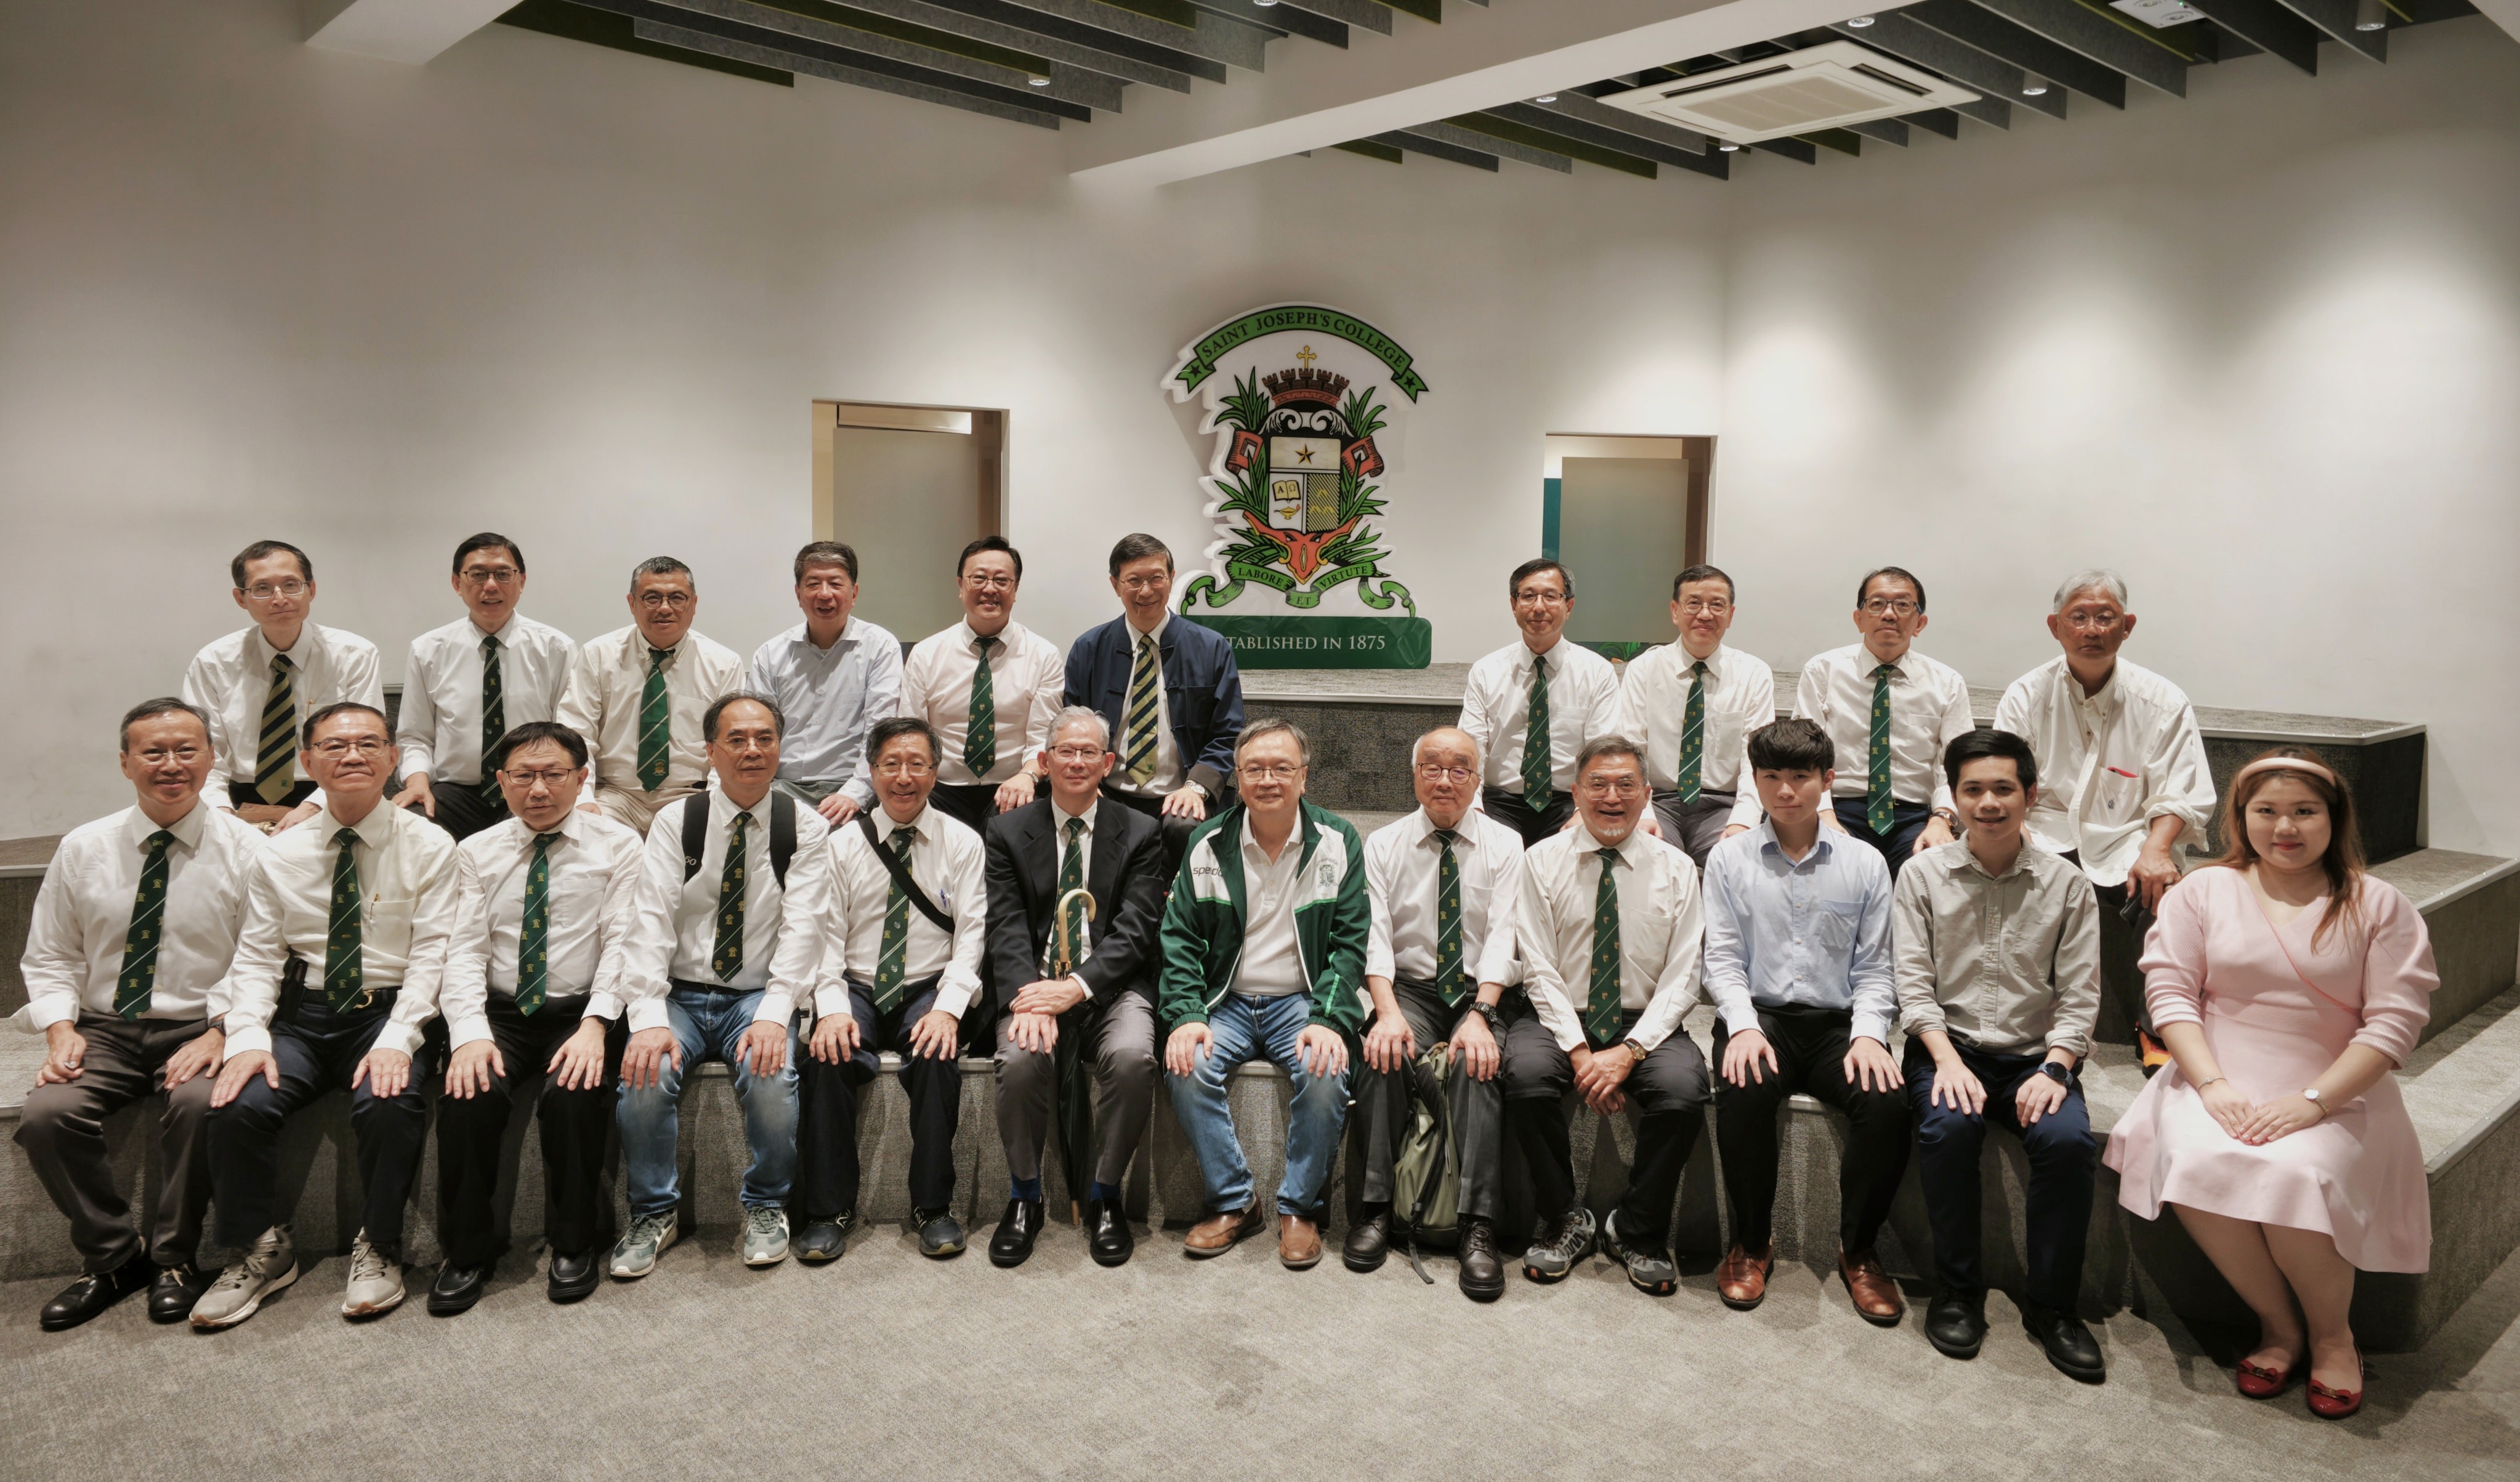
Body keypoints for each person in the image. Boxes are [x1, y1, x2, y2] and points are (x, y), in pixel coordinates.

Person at [2104, 748, 2435, 1420]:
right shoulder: (2203, 890)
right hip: (2214, 1072)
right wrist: (2212, 1085)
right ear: (2242, 817)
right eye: (2268, 811)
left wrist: (2314, 1102)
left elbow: (2394, 1024)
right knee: (2196, 1157)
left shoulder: (2378, 904)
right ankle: (2279, 1326)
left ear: (2333, 819)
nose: (2285, 827)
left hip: (2335, 1086)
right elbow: (2170, 994)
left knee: (2297, 1172)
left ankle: (2333, 1336)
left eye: (2305, 811)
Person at [193, 702, 457, 1330]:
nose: (353, 755)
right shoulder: (278, 853)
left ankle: (381, 1243)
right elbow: (258, 956)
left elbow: (434, 955)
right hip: (304, 1015)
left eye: (369, 743)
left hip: (389, 1009)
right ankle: (260, 1248)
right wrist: (246, 1036)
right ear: (308, 762)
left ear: (394, 759)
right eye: (335, 746)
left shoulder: (431, 845)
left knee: (389, 1103)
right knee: (236, 1101)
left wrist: (399, 1038)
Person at [15, 698, 263, 1330]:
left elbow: (262, 956)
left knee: (200, 1105)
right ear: (126, 763)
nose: (171, 764)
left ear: (211, 759)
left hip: (202, 1026)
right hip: (103, 1029)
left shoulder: (247, 848)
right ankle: (113, 1257)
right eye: (154, 752)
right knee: (47, 1115)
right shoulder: (83, 847)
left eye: (186, 750)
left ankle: (175, 1260)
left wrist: (222, 1030)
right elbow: (50, 953)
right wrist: (60, 1029)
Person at [1894, 729, 2106, 1382]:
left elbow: (2081, 995)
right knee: (1948, 1128)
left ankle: (2053, 1306)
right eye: (1974, 790)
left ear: (2030, 795)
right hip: (1946, 1047)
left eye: (2003, 789)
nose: (1989, 803)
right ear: (1954, 798)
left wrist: (2056, 1068)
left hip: (2036, 1057)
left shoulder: (2068, 885)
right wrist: (1946, 1060)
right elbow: (1912, 985)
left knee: (2068, 1144)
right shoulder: (1921, 874)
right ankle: (1958, 1292)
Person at [609, 694, 836, 1277]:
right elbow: (649, 920)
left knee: (770, 1073)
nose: (752, 750)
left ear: (780, 747)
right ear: (710, 751)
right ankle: (653, 1212)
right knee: (645, 1074)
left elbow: (805, 928)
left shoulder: (804, 826)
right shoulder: (677, 821)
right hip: (679, 993)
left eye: (764, 738)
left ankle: (766, 1205)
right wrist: (647, 1017)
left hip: (756, 994)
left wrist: (776, 1013)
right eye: (736, 739)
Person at [427, 721, 644, 1314]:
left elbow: (622, 942)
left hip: (583, 1009)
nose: (539, 789)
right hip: (501, 1011)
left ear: (581, 778)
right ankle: (467, 1251)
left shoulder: (619, 845)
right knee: (467, 1095)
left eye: (553, 774)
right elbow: (463, 951)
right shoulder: (475, 852)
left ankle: (575, 1243)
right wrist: (469, 1035)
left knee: (575, 1094)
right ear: (501, 782)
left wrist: (596, 1026)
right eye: (524, 776)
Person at [1700, 717, 1910, 1324]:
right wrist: (1742, 1025)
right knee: (1743, 1087)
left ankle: (1859, 1250)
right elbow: (1722, 960)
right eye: (1771, 776)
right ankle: (1750, 1242)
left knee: (1887, 1102)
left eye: (1800, 776)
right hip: (1759, 1015)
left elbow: (1876, 968)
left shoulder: (1865, 863)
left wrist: (1869, 1037)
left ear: (1829, 780)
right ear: (1755, 781)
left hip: (1836, 1024)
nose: (1786, 790)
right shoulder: (1729, 858)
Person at [1160, 719, 1367, 1270]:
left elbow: (1350, 942)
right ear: (1237, 776)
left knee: (1326, 1072)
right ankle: (1235, 1201)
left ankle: (1299, 1209)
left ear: (1304, 777)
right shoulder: (1207, 842)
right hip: (1225, 1000)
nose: (1267, 779)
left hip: (1300, 1000)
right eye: (1254, 769)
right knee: (1185, 1064)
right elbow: (1179, 937)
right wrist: (1186, 1013)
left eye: (1281, 768)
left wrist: (1327, 1018)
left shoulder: (1337, 840)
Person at [1506, 737, 1709, 1297]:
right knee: (1524, 1078)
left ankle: (1636, 1229)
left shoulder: (1678, 868)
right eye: (1598, 784)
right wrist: (1579, 1052)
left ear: (1647, 796)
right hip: (1558, 1015)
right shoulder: (1541, 860)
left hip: (1645, 1021)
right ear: (1576, 793)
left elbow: (1685, 974)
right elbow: (1537, 965)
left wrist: (1630, 1050)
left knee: (1683, 1092)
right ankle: (1564, 1218)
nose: (1612, 797)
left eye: (1625, 785)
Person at [1996, 570, 2215, 1069]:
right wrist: (2015, 836)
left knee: (2165, 887)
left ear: (2127, 626)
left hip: (2128, 835)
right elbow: (2005, 777)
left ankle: (2156, 1028)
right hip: (2044, 828)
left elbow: (2181, 791)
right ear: (2055, 626)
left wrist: (2157, 849)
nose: (2091, 630)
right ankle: (2016, 1023)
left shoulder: (2162, 699)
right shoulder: (2027, 693)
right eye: (2079, 617)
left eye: (2105, 618)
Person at [980, 707, 1166, 1268]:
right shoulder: (1008, 830)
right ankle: (1025, 1195)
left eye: (1090, 753)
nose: (1077, 762)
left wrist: (1078, 987)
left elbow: (1136, 930)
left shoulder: (1141, 830)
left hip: (1111, 987)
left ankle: (1105, 1194)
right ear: (1044, 761)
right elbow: (1006, 925)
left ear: (1108, 763)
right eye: (1066, 751)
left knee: (1133, 1058)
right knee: (1019, 1059)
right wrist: (1031, 995)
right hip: (1034, 985)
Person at [801, 716, 989, 1261]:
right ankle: (827, 1210)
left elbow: (972, 937)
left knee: (936, 1054)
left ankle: (933, 1207)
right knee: (826, 1055)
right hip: (857, 984)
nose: (903, 777)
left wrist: (949, 1010)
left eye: (916, 764)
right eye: (890, 764)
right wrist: (830, 1009)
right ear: (872, 770)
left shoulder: (963, 841)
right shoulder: (841, 845)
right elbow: (825, 938)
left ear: (935, 771)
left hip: (928, 984)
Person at [1350, 725, 1524, 1301]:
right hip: (1413, 990)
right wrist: (1386, 1012)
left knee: (1478, 1063)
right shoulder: (1384, 844)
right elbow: (1375, 938)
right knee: (1381, 1053)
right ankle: (1376, 1208)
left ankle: (1477, 1224)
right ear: (1414, 775)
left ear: (1478, 779)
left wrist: (1481, 1012)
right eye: (1432, 767)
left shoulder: (1506, 844)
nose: (1445, 780)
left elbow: (1504, 937)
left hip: (1483, 988)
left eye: (1459, 769)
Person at [1065, 533, 1244, 872]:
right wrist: (1087, 783)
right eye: (1134, 581)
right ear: (1115, 585)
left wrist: (1196, 788)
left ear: (1171, 579)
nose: (1146, 591)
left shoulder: (1211, 648)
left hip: (1183, 790)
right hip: (1109, 790)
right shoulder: (1089, 649)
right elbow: (1071, 729)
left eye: (1156, 578)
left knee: (1185, 826)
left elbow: (1228, 734)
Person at [182, 540, 382, 833]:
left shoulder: (354, 655)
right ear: (241, 598)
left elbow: (366, 747)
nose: (279, 599)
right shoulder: (214, 662)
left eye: (291, 585)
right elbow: (202, 753)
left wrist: (313, 807)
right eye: (262, 588)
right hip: (239, 799)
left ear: (311, 590)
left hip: (334, 794)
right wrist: (222, 813)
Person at [392, 533, 576, 841]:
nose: (490, 586)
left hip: (533, 785)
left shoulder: (556, 648)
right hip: (454, 792)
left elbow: (569, 732)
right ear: (457, 583)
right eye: (477, 575)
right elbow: (415, 736)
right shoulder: (428, 650)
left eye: (503, 574)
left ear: (521, 582)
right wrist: (417, 780)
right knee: (407, 828)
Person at [1791, 566, 1973, 876]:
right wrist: (1824, 814)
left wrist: (1942, 819)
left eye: (1903, 605)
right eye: (1876, 604)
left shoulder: (1947, 682)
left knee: (1931, 872)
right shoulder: (1823, 671)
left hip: (1917, 816)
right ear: (1859, 619)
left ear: (1920, 623)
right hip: (1839, 807)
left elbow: (1960, 764)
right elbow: (1804, 755)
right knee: (1834, 874)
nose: (1889, 614)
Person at [555, 556, 745, 834]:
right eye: (652, 598)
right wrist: (583, 799)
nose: (665, 608)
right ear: (632, 603)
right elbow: (576, 733)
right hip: (615, 795)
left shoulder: (723, 664)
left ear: (693, 604)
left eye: (677, 598)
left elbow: (729, 744)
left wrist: (716, 802)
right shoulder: (598, 655)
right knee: (590, 840)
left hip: (689, 794)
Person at [1613, 563, 1776, 868]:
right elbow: (1631, 750)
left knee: (1738, 861)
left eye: (1717, 605)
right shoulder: (1644, 670)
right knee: (1651, 859)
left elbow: (1756, 760)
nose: (1705, 614)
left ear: (1731, 615)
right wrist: (1644, 813)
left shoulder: (1753, 674)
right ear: (1675, 611)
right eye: (1694, 603)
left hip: (1723, 805)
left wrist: (1742, 821)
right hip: (1658, 801)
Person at [902, 535, 1062, 832]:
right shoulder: (927, 654)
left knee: (1019, 830)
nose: (990, 589)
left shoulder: (1043, 655)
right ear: (960, 586)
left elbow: (1043, 736)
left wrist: (1027, 776)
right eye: (979, 579)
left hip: (1015, 784)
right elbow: (912, 733)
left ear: (1015, 590)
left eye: (1002, 581)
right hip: (941, 787)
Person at [1460, 559, 1621, 848]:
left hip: (1569, 801)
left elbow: (1601, 752)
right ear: (1514, 605)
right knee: (1482, 850)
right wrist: (1473, 808)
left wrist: (1584, 810)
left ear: (1569, 606)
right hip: (1500, 801)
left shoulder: (1597, 672)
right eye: (1528, 596)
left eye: (1550, 596)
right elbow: (1471, 748)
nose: (1538, 607)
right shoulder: (1486, 671)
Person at [748, 540, 901, 826]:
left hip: (852, 786)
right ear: (798, 593)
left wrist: (856, 793)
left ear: (854, 593)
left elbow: (880, 728)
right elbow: (756, 732)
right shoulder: (771, 654)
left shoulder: (880, 647)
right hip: (781, 787)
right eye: (813, 584)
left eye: (835, 583)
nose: (825, 594)